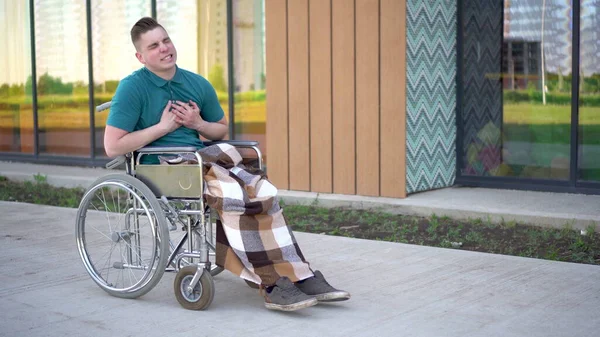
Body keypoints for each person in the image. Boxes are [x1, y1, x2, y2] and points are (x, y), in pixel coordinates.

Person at [104, 17, 350, 312]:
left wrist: (197, 123)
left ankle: (299, 274)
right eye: (154, 45)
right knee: (233, 195)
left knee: (262, 192)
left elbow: (220, 130)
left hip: (204, 161)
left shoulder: (196, 83)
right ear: (141, 56)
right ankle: (271, 282)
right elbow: (112, 146)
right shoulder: (133, 88)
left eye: (166, 40)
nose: (165, 48)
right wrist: (162, 128)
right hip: (165, 168)